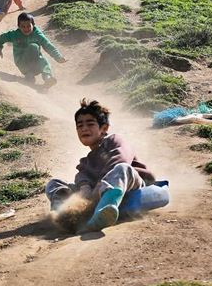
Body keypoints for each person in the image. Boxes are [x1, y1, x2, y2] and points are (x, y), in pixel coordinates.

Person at [45, 98, 155, 233]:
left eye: (90, 124)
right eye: (79, 126)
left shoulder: (114, 141)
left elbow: (121, 159)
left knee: (122, 169)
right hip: (97, 195)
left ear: (103, 128)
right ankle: (62, 216)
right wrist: (84, 188)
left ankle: (104, 213)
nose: (84, 128)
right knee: (54, 183)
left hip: (130, 187)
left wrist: (99, 185)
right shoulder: (86, 161)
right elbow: (82, 174)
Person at [0, 13, 66, 87]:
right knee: (33, 47)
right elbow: (2, 38)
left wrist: (58, 57)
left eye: (29, 26)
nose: (26, 29)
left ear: (33, 25)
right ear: (19, 26)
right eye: (23, 26)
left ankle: (47, 78)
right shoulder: (14, 35)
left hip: (36, 62)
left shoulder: (37, 34)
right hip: (22, 63)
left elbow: (48, 45)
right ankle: (29, 76)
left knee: (44, 62)